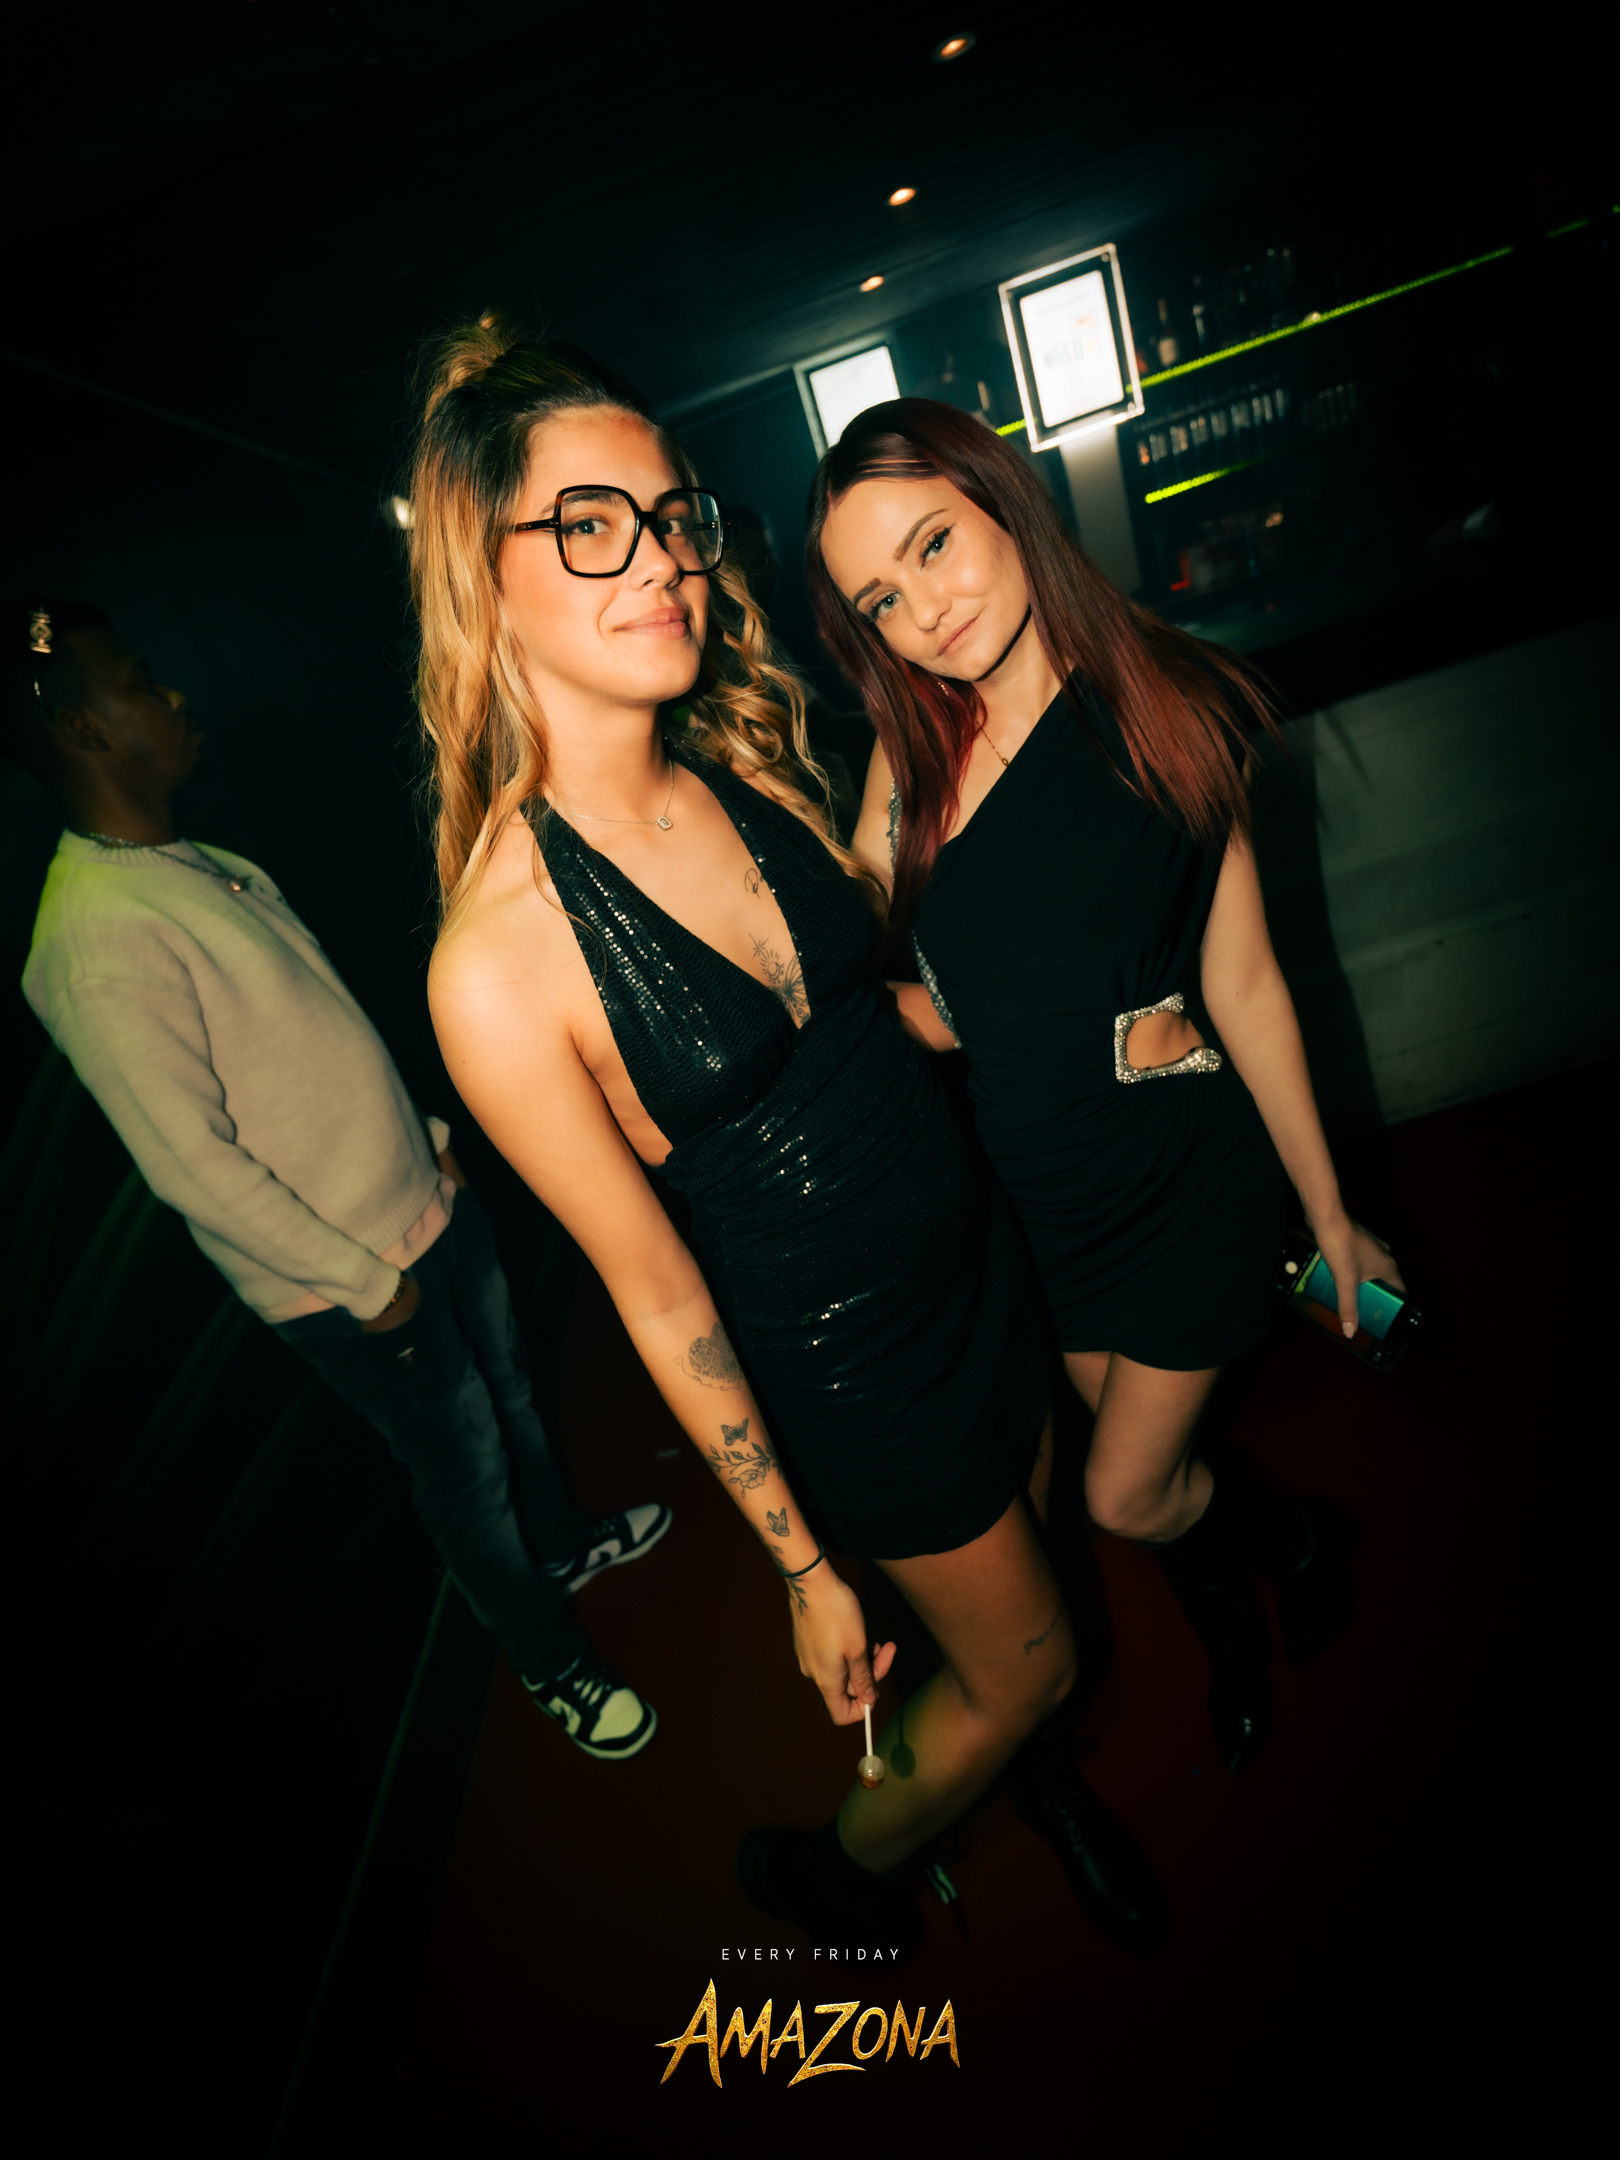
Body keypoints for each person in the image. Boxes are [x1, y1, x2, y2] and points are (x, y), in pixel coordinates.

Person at [412, 317, 1168, 1955]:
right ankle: (837, 1876)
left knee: (1029, 1589)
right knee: (1034, 1664)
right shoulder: (497, 964)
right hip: (859, 1379)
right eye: (590, 524)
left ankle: (1029, 1773)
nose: (661, 561)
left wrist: (1074, 1010)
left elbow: (871, 1015)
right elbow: (657, 1293)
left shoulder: (735, 760)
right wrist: (801, 1565)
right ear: (483, 574)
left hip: (984, 1263)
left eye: (670, 516)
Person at [809, 400, 1403, 1774]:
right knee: (1153, 1469)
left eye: (934, 543)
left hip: (1182, 1171)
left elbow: (1245, 981)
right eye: (881, 599)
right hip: (1037, 1191)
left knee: (1125, 1493)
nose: (923, 610)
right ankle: (1247, 1604)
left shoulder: (1169, 705)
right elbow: (877, 982)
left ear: (1005, 499)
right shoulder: (912, 756)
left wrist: (1327, 1215)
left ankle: (1293, 1551)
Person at [11, 597, 670, 1761]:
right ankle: (549, 1659)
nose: (174, 695)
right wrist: (366, 1284)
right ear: (84, 729)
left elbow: (312, 1039)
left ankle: (565, 1547)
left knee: (514, 1396)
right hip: (359, 1284)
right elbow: (189, 1164)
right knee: (464, 1477)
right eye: (141, 682)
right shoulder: (91, 937)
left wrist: (427, 1135)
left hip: (426, 1205)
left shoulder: (191, 863)